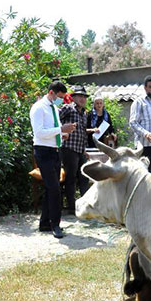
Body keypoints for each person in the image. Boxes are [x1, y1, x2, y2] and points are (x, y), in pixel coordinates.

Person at [29, 80, 76, 238]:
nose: (61, 100)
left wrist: (63, 134)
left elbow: (53, 130)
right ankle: (55, 224)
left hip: (55, 150)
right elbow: (39, 132)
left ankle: (45, 223)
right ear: (51, 93)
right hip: (43, 152)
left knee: (51, 188)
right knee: (55, 189)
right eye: (60, 97)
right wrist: (60, 129)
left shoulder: (54, 108)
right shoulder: (39, 108)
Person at [59, 85, 91, 214]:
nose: (82, 99)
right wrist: (62, 131)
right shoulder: (68, 108)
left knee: (84, 177)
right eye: (80, 96)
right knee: (71, 178)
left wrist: (84, 150)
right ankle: (72, 207)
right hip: (68, 148)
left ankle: (85, 205)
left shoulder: (85, 113)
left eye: (84, 97)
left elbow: (82, 132)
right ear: (73, 98)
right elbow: (54, 120)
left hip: (80, 150)